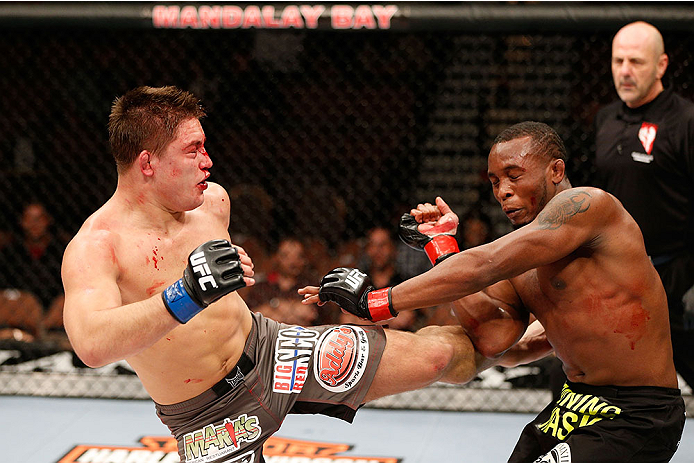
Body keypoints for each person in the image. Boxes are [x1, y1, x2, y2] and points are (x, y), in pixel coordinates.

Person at [61, 85, 491, 463]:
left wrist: (227, 271)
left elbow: (215, 281)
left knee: (441, 356)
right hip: (205, 415)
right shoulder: (96, 246)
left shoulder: (211, 202)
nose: (208, 162)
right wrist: (187, 293)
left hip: (274, 350)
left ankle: (530, 341)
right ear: (147, 163)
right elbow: (92, 345)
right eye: (192, 150)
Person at [303, 121, 685, 462]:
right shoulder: (524, 258)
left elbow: (484, 265)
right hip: (576, 403)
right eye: (494, 181)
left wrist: (378, 302)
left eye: (514, 175)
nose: (502, 191)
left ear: (556, 170)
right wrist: (441, 247)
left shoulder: (588, 206)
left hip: (638, 410)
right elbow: (494, 336)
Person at [593, 20, 694, 392]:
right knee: (577, 363)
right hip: (618, 270)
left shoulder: (685, 122)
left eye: (635, 61)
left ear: (661, 65)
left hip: (676, 271)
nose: (625, 71)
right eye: (618, 61)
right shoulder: (605, 119)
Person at [0, 201, 66, 310]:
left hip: (55, 309)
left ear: (48, 220)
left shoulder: (60, 251)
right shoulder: (11, 252)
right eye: (29, 218)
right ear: (21, 222)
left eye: (39, 218)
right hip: (20, 309)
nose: (34, 223)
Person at [244, 237, 320, 326]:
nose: (293, 262)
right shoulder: (262, 287)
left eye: (299, 256)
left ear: (304, 260)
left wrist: (272, 311)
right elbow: (252, 316)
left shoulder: (311, 285)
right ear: (276, 258)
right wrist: (281, 306)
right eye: (286, 256)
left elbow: (311, 314)